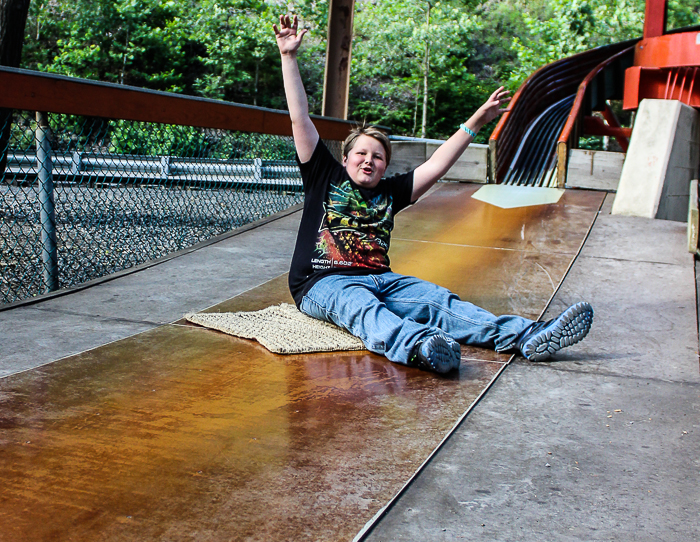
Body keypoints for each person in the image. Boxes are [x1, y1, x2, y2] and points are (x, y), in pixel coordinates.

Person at [274, 14, 593, 373]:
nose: (369, 160)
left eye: (378, 156)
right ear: (345, 158)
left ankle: (527, 335)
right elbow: (300, 119)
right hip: (322, 281)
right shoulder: (323, 174)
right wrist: (289, 57)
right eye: (361, 153)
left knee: (439, 301)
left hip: (383, 278)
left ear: (385, 166)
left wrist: (476, 121)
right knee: (361, 307)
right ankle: (421, 347)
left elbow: (438, 164)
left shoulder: (392, 192)